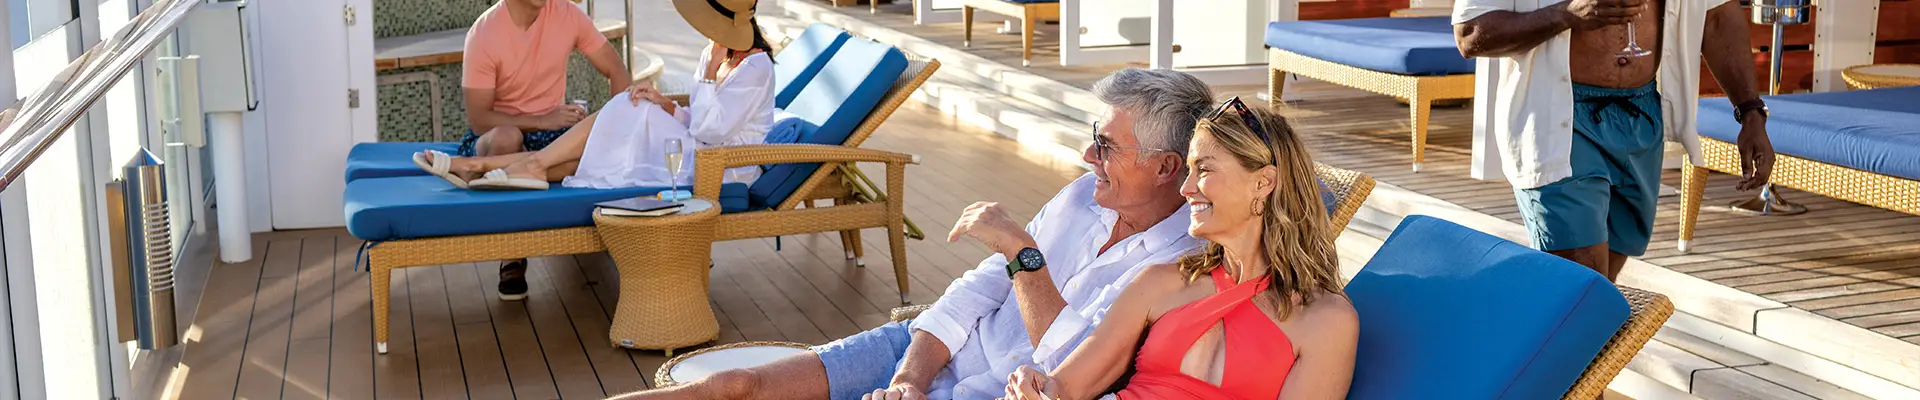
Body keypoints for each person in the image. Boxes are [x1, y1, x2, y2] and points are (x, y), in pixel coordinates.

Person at [605, 68, 1217, 400]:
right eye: (1092, 134)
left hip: (1000, 390)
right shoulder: (1082, 196)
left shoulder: (1180, 266)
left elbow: (1075, 367)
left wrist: (1022, 254)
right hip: (924, 349)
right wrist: (908, 378)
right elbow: (976, 292)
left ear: (1167, 166)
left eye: (1106, 146)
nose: (1088, 154)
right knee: (737, 385)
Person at [412, 0, 773, 302]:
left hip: (718, 165)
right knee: (616, 119)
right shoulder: (485, 31)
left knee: (620, 114)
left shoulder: (755, 67)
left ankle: (486, 166)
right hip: (689, 147)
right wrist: (666, 104)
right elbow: (698, 117)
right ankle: (487, 171)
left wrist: (704, 76)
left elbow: (713, 130)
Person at [1002, 99, 1360, 400]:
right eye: (1188, 170)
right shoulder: (1161, 282)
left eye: (1203, 170)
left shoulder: (1325, 320)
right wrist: (1036, 387)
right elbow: (1065, 386)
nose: (1186, 188)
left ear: (1263, 182)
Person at [1453, 0, 1777, 280]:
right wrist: (1567, 14)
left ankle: (1551, 347)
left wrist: (1750, 110)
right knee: (1583, 281)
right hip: (1557, 118)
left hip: (1643, 116)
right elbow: (1470, 34)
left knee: (1601, 279)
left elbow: (1717, 16)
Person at [457, 0, 637, 160]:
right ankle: (531, 165)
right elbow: (479, 120)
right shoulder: (483, 34)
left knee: (596, 133)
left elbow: (617, 70)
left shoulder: (568, 13)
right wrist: (541, 121)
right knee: (507, 139)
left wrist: (617, 127)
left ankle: (530, 165)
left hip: (553, 135)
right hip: (498, 135)